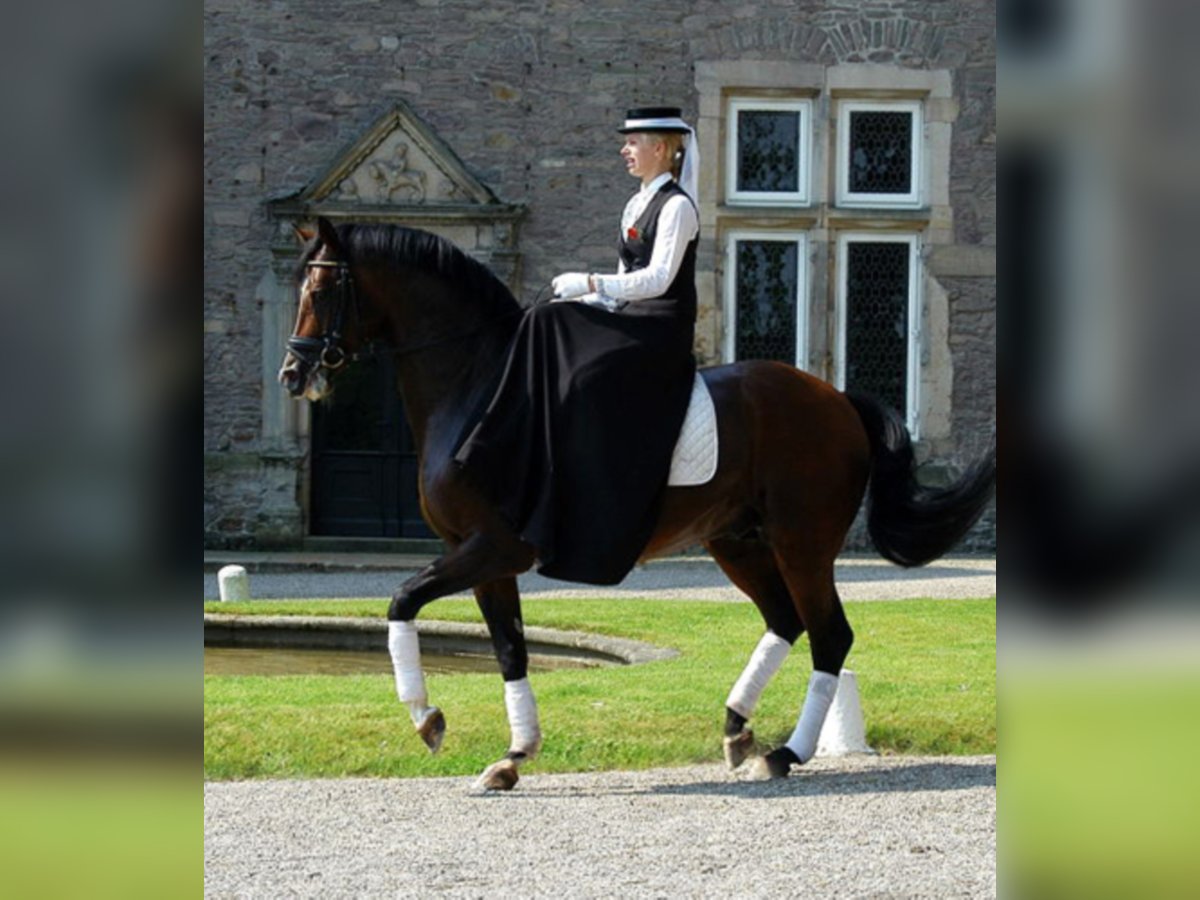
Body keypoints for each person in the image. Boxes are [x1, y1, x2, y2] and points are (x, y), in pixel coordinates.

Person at [454, 106, 701, 585]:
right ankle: (508, 439)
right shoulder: (636, 204)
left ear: (664, 148)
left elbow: (656, 280)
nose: (624, 150)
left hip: (660, 327)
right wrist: (586, 294)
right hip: (631, 316)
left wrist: (589, 281)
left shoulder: (678, 207)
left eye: (633, 142)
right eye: (626, 142)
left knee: (584, 371)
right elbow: (626, 277)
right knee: (546, 317)